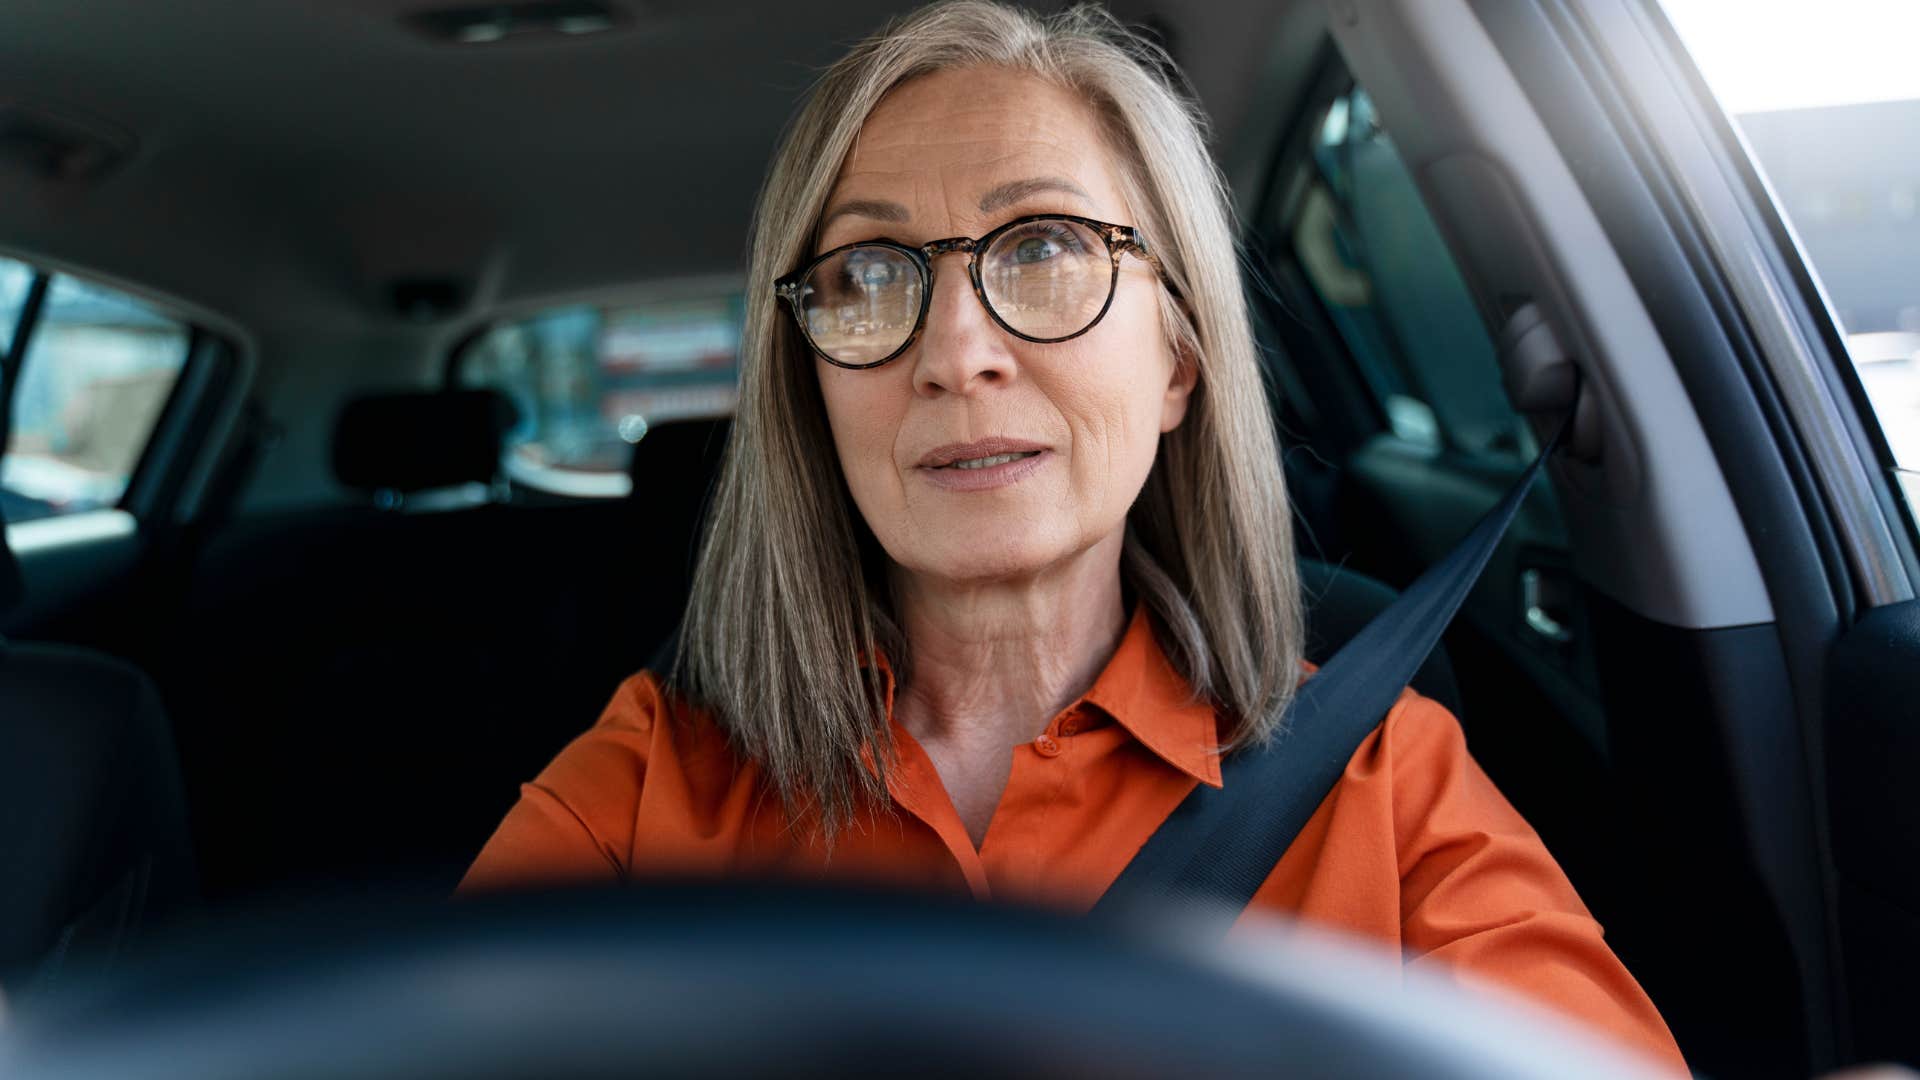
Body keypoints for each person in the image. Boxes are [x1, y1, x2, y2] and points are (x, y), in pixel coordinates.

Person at [463, 1, 1686, 1070]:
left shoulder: (1386, 781)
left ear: (1179, 361)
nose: (955, 355)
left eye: (1044, 250)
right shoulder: (641, 790)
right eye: (871, 274)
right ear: (810, 385)